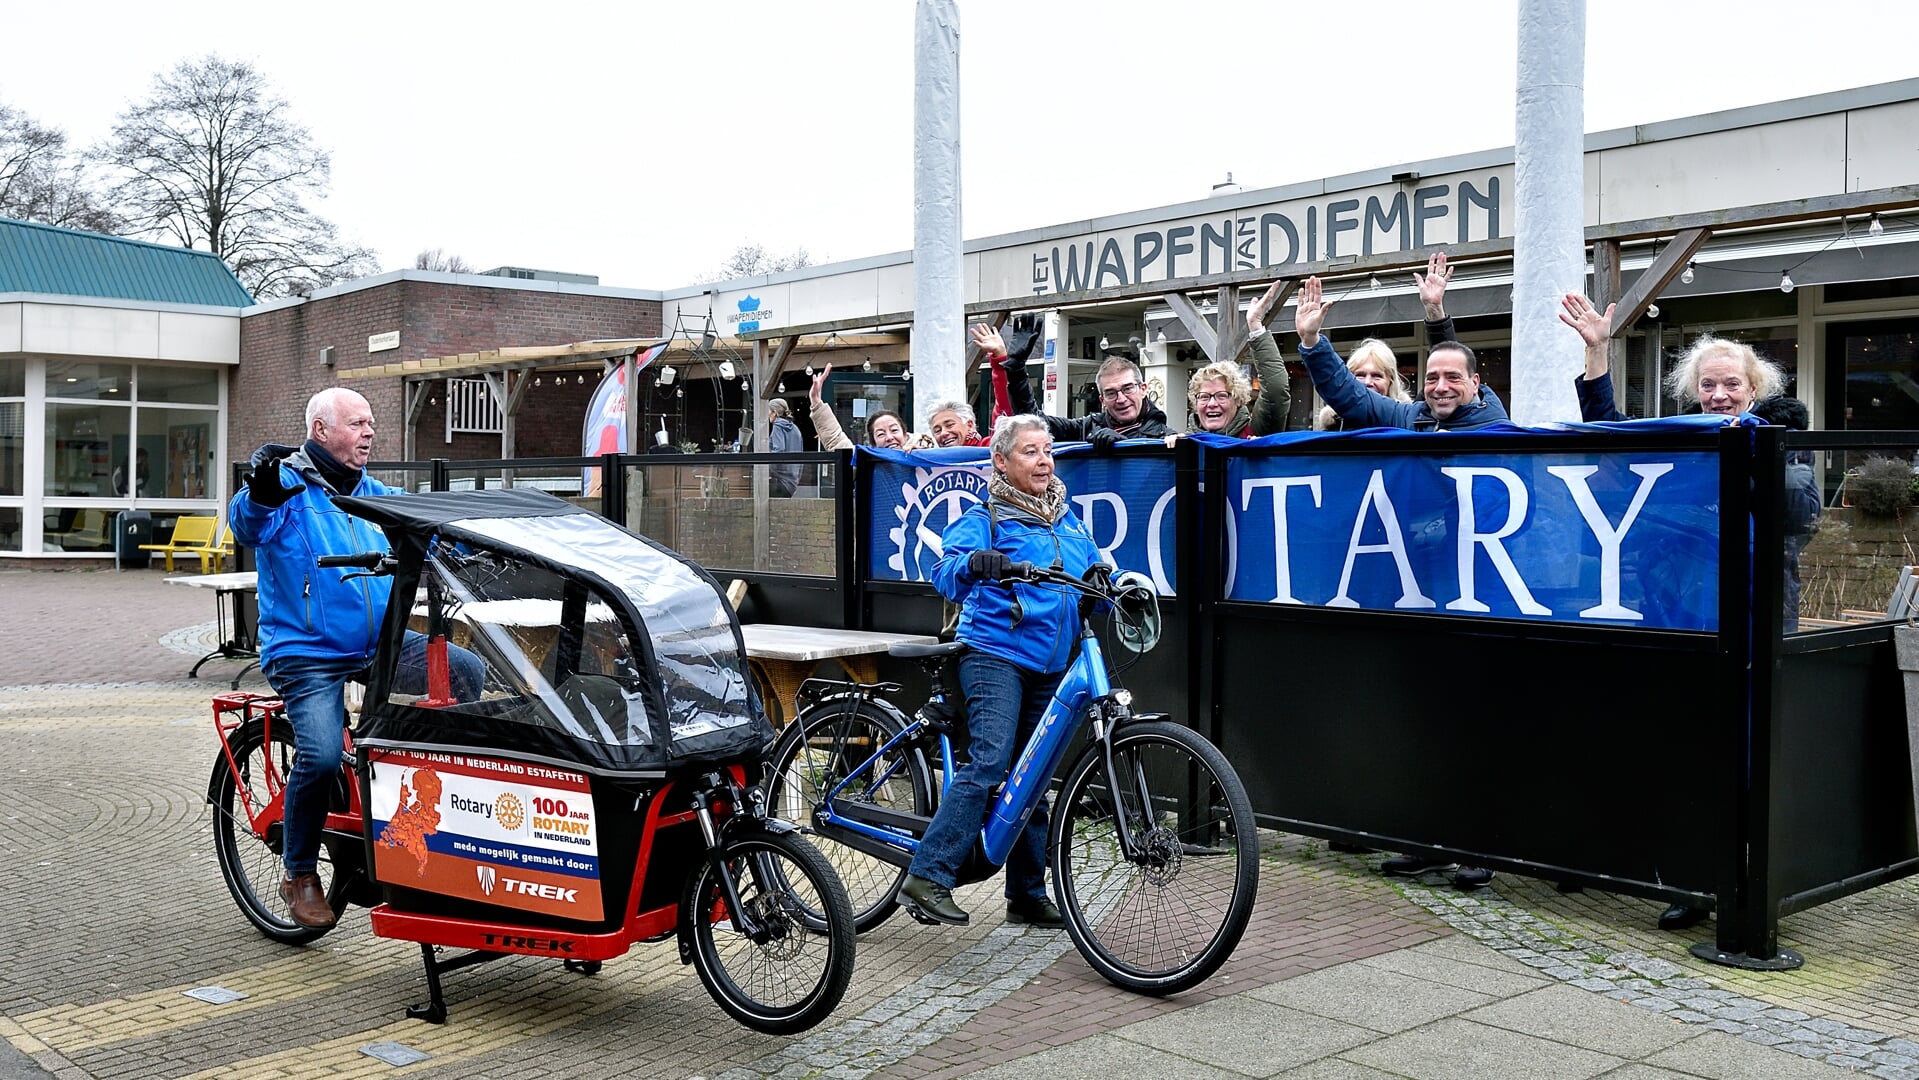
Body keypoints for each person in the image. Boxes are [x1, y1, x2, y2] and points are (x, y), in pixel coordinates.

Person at [229, 387, 485, 929]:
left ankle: (427, 812)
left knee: (466, 670)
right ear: (321, 430)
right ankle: (298, 872)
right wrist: (261, 493)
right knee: (321, 755)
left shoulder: (372, 493)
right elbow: (247, 524)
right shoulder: (287, 488)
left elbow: (428, 533)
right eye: (357, 423)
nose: (369, 432)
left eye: (371, 423)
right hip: (307, 654)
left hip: (376, 645)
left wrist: (471, 539)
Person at [898, 414, 1111, 928]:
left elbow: (1094, 567)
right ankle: (928, 875)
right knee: (993, 762)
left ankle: (1026, 895)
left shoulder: (1066, 517)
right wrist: (977, 564)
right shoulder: (985, 514)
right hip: (995, 652)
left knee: (1034, 773)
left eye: (1048, 451)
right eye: (1031, 452)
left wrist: (1118, 580)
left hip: (1051, 658)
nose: (1044, 461)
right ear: (1001, 460)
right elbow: (944, 572)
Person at [1293, 273, 1509, 432]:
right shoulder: (1409, 418)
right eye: (1431, 378)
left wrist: (1436, 313)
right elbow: (1350, 394)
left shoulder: (1498, 429)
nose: (1441, 387)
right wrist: (1311, 340)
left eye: (1453, 377)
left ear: (1475, 382)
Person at [1004, 340, 1175, 448]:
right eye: (1111, 393)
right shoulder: (1085, 429)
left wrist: (1124, 445)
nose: (1121, 399)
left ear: (1143, 389)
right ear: (1102, 400)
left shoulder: (1167, 437)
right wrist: (1016, 371)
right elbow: (1033, 421)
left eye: (1128, 388)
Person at [808, 364, 936, 451]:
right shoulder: (867, 462)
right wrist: (816, 403)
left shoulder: (925, 451)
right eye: (881, 434)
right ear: (873, 442)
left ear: (905, 433)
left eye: (894, 430)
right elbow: (836, 441)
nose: (889, 437)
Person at [767, 398, 804, 496]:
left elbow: (778, 450)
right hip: (792, 482)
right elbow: (801, 458)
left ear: (774, 412)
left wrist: (768, 471)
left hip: (779, 481)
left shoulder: (777, 427)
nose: (767, 415)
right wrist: (796, 481)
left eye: (768, 411)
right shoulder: (795, 429)